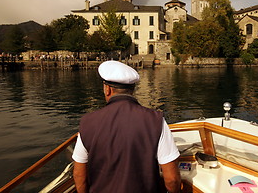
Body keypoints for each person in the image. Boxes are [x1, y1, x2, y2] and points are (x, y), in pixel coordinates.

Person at [72, 60, 181, 193]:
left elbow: (79, 175)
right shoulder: (156, 120)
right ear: (133, 90)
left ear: (107, 89)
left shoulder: (87, 122)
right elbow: (172, 180)